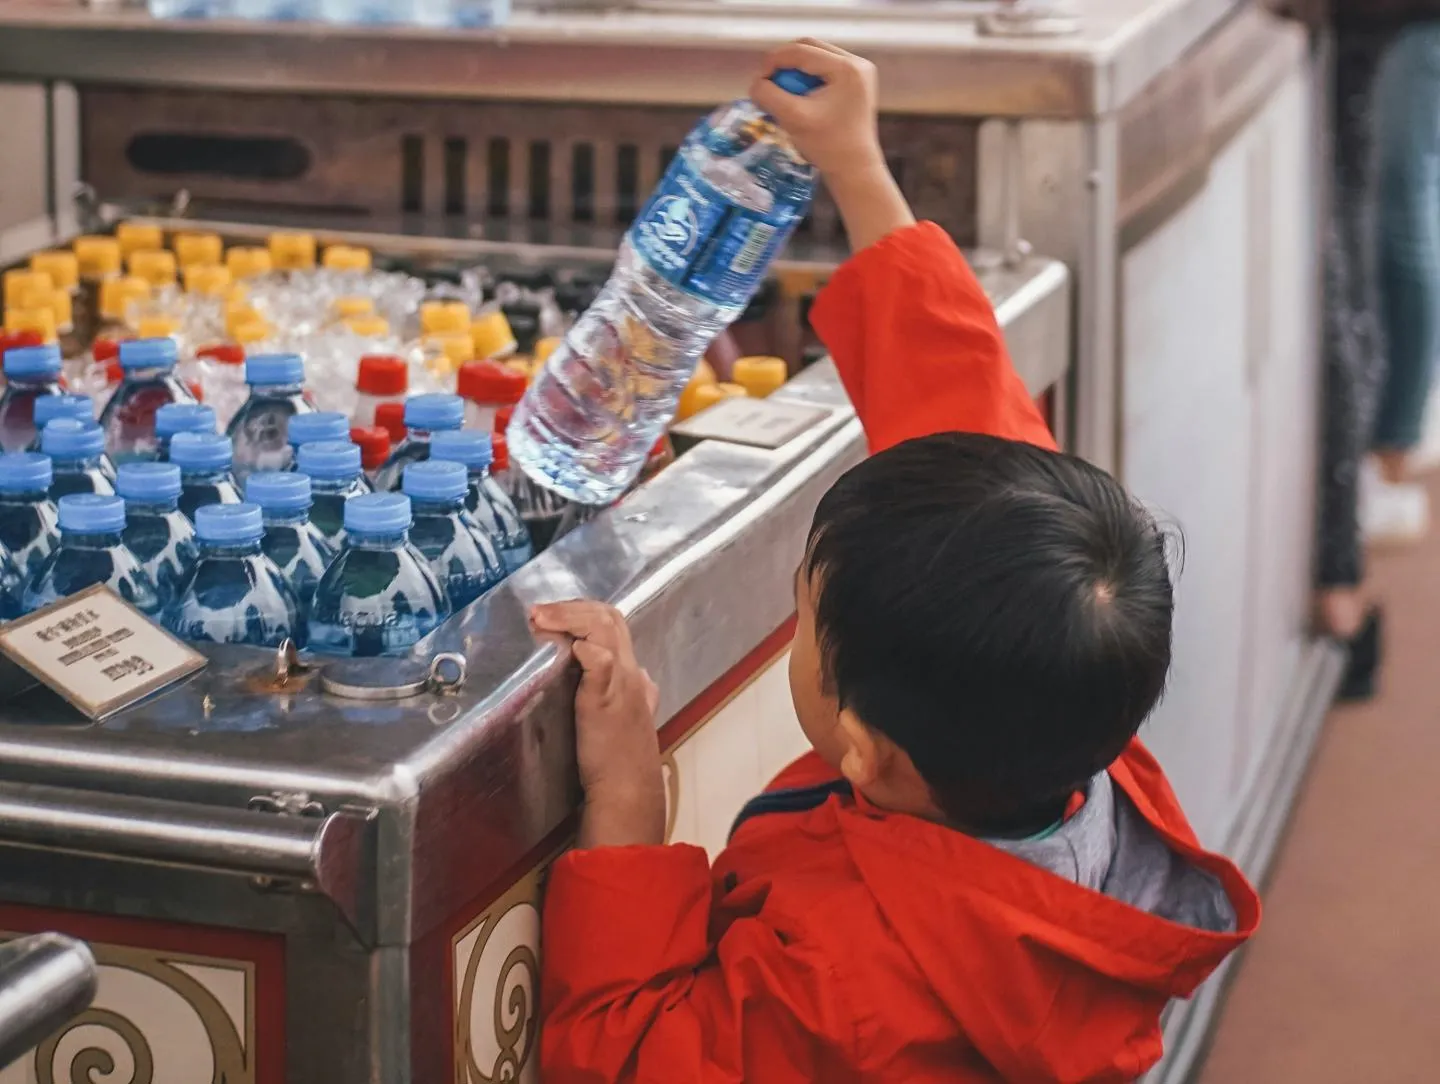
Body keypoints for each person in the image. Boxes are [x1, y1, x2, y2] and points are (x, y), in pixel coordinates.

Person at [533, 40, 1260, 1083]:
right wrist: (854, 165)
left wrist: (628, 816)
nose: (801, 623)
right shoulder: (1078, 745)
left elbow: (627, 1056)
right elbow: (961, 410)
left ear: (864, 750)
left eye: (806, 622)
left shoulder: (847, 993)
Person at [1295, 0, 1440, 699]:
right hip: (1376, 29)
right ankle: (1347, 551)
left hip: (1382, 25)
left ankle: (1381, 466)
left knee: (1367, 253)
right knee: (1366, 251)